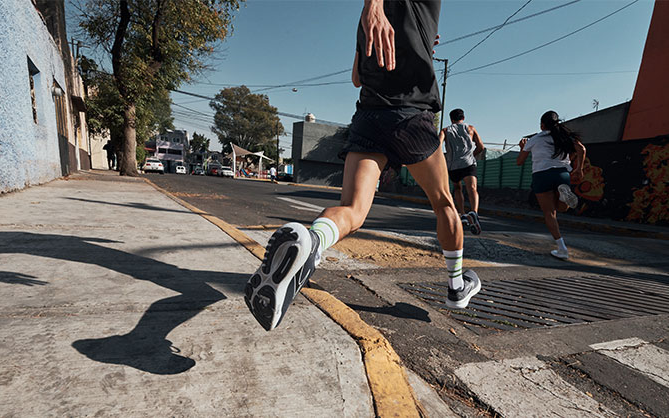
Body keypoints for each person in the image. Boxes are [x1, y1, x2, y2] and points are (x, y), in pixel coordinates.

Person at [244, 0, 481, 331]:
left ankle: (312, 241)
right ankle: (457, 286)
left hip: (369, 117)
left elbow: (357, 77)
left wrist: (388, 23)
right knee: (444, 204)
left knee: (352, 210)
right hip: (411, 115)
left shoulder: (368, 21)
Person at [516, 110, 585, 260]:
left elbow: (519, 162)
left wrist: (523, 148)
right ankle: (563, 195)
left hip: (542, 174)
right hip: (562, 174)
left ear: (542, 125)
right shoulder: (564, 137)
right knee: (562, 208)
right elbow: (582, 149)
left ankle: (562, 248)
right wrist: (579, 168)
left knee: (550, 213)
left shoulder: (534, 139)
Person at [440, 108, 485, 234]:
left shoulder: (445, 130)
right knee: (472, 188)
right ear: (463, 118)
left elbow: (438, 145)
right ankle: (474, 213)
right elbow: (481, 146)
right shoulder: (470, 128)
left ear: (451, 119)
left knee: (457, 188)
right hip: (468, 163)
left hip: (453, 166)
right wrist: (472, 155)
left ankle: (463, 214)